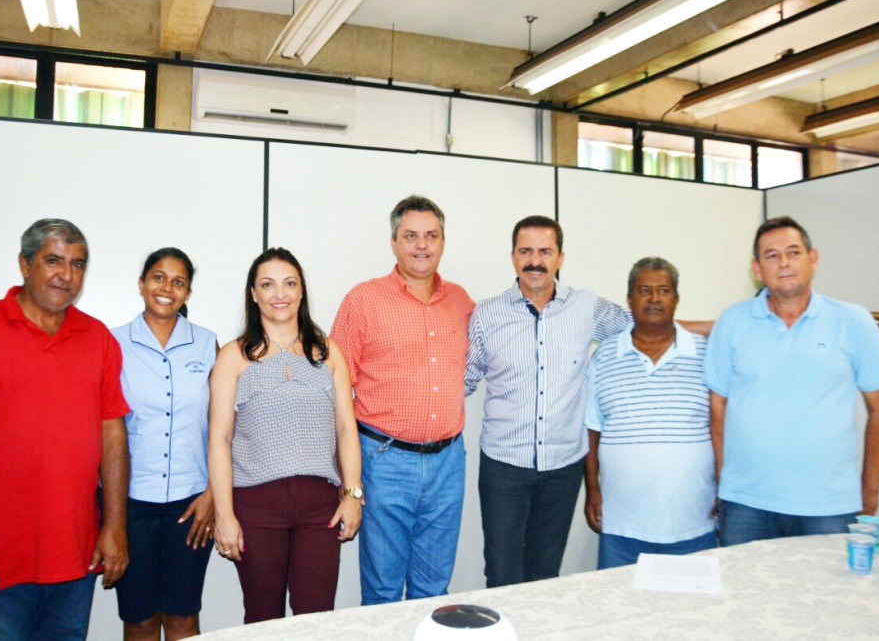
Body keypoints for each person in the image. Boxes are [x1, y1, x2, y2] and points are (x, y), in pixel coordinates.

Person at [0, 219, 129, 641]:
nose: (66, 275)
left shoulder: (97, 339)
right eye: (53, 261)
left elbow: (113, 440)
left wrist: (114, 527)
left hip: (75, 558)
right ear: (24, 264)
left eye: (77, 264)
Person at [705, 216, 879, 546]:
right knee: (743, 582)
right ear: (757, 268)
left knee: (827, 583)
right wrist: (723, 477)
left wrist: (870, 488)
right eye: (772, 255)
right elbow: (717, 404)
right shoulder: (732, 321)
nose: (784, 263)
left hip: (829, 504)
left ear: (813, 258)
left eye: (793, 252)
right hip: (746, 502)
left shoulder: (853, 321)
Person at [464, 215, 631, 587]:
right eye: (526, 251)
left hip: (563, 467)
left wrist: (709, 331)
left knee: (545, 575)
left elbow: (645, 328)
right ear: (513, 256)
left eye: (545, 251)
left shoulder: (586, 306)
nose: (535, 261)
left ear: (560, 258)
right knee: (502, 574)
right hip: (504, 466)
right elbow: (464, 379)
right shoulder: (487, 314)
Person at [331, 195, 475, 604]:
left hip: (448, 462)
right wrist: (348, 482)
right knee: (383, 591)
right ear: (394, 241)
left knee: (434, 591)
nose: (422, 245)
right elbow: (335, 392)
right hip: (384, 461)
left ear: (443, 241)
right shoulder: (363, 300)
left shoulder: (461, 302)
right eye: (411, 236)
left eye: (431, 235)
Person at [208, 248, 362, 623]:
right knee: (263, 618)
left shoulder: (328, 353)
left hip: (320, 506)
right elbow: (219, 440)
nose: (280, 294)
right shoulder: (233, 357)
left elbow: (347, 427)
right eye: (268, 284)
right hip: (256, 506)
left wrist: (353, 494)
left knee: (316, 618)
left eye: (290, 283)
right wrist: (224, 514)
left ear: (301, 290)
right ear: (253, 293)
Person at [111, 248, 217, 640]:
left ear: (187, 293)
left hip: (192, 504)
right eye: (158, 277)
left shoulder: (207, 344)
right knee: (139, 620)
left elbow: (223, 427)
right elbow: (104, 430)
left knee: (183, 618)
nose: (167, 288)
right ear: (142, 283)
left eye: (178, 282)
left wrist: (214, 494)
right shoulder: (113, 343)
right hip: (131, 504)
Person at [584, 257, 717, 568]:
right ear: (629, 300)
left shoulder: (706, 354)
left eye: (664, 291)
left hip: (694, 522)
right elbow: (591, 429)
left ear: (676, 299)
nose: (654, 298)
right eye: (644, 291)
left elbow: (723, 426)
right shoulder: (604, 356)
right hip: (621, 525)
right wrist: (592, 489)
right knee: (619, 601)